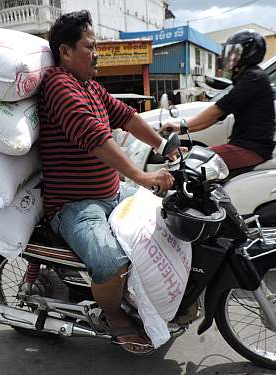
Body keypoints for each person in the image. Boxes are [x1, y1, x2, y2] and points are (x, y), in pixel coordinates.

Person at [39, 10, 174, 354]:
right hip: (75, 205)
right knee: (110, 263)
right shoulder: (58, 84)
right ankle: (114, 317)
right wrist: (143, 177)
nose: (97, 53)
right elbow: (94, 135)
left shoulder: (91, 86)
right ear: (66, 52)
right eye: (90, 47)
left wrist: (163, 145)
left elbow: (127, 117)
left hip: (112, 191)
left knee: (169, 217)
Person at [160, 30, 276, 171]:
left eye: (234, 52)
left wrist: (178, 125)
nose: (229, 57)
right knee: (193, 159)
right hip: (247, 146)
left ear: (248, 53)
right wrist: (180, 129)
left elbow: (216, 112)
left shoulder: (253, 78)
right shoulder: (249, 76)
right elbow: (209, 120)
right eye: (229, 52)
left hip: (251, 148)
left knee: (191, 164)